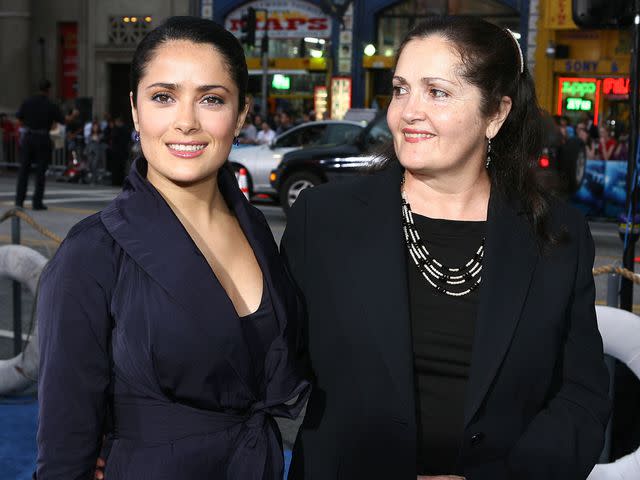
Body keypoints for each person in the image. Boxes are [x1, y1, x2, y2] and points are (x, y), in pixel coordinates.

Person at [282, 16, 610, 479]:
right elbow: (272, 364)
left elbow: (582, 395)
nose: (408, 111)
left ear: (495, 114)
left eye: (436, 92)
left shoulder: (557, 233)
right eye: (400, 89)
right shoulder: (324, 219)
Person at [36, 16, 309, 480]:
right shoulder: (92, 252)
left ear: (241, 113)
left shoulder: (256, 228)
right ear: (136, 110)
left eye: (211, 99)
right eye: (163, 97)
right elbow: (64, 448)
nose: (186, 122)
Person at [14, 79, 65, 210]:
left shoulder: (28, 101)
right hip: (42, 138)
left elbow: (19, 118)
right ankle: (37, 202)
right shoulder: (50, 104)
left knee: (23, 171)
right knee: (40, 172)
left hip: (29, 137)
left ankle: (19, 201)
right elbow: (62, 120)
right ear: (49, 90)